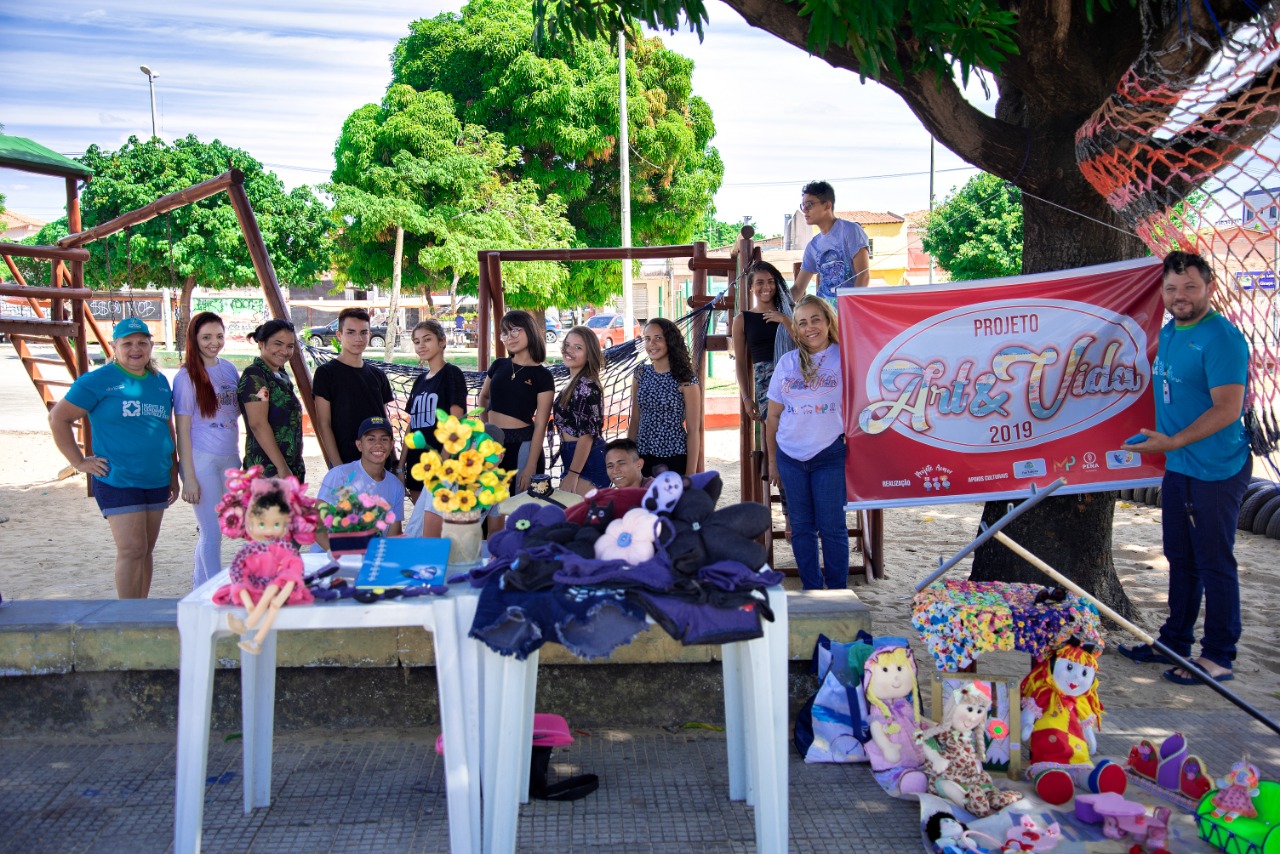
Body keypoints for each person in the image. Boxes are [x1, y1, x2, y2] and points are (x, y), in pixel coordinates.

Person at [1119, 251, 1252, 686]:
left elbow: (1228, 409)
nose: (1181, 296)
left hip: (1215, 469)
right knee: (1180, 558)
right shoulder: (1171, 331)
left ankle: (1218, 657)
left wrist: (1174, 441)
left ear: (1209, 288)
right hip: (1179, 465)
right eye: (1172, 288)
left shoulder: (1222, 339)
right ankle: (1174, 642)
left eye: (1191, 287)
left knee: (1214, 562)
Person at [49, 318, 178, 598]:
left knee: (145, 550)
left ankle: (139, 611)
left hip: (156, 477)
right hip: (118, 478)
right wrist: (78, 462)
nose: (135, 349)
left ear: (151, 345)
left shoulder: (159, 381)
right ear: (114, 347)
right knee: (131, 549)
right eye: (127, 343)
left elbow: (166, 428)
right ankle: (126, 615)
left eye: (142, 343)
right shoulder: (97, 381)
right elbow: (58, 418)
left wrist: (173, 473)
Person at [765, 296, 848, 589]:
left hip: (829, 454)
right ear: (796, 329)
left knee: (832, 527)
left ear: (828, 322)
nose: (809, 327)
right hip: (790, 457)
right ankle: (812, 589)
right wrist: (773, 461)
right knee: (801, 527)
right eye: (802, 323)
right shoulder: (787, 363)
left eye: (815, 320)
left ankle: (837, 591)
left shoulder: (845, 357)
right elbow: (773, 416)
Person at [174, 312, 241, 588]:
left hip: (231, 457)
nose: (214, 343)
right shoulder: (186, 376)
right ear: (194, 339)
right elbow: (182, 430)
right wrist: (188, 477)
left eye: (219, 336)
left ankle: (199, 588)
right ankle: (215, 592)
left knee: (220, 528)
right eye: (206, 337)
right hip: (202, 460)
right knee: (211, 531)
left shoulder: (230, 369)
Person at [404, 319, 469, 535]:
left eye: (427, 339)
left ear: (442, 341)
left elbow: (455, 421)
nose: (421, 345)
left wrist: (444, 461)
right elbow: (412, 425)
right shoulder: (419, 381)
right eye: (416, 342)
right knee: (421, 525)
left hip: (442, 462)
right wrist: (401, 465)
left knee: (439, 529)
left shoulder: (452, 374)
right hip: (417, 463)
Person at [478, 310, 554, 492]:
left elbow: (540, 425)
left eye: (515, 330)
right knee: (489, 503)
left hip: (523, 445)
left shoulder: (543, 376)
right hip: (493, 444)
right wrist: (487, 430)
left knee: (519, 504)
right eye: (504, 333)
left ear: (530, 330)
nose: (509, 337)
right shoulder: (498, 365)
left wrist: (531, 465)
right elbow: (483, 397)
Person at [311, 307, 393, 466]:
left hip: (380, 462)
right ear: (339, 335)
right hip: (346, 461)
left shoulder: (378, 375)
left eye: (363, 332)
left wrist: (394, 461)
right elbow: (323, 424)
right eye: (350, 332)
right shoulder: (326, 373)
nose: (358, 338)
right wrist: (338, 465)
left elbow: (384, 421)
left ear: (369, 335)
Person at [314, 417, 405, 551]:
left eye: (384, 439)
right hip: (328, 557)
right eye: (371, 439)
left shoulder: (396, 485)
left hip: (368, 558)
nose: (378, 444)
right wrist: (341, 555)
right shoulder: (340, 475)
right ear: (359, 445)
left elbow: (393, 534)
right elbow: (317, 523)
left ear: (392, 445)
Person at [628, 317, 702, 477]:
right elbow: (635, 419)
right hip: (642, 457)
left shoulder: (686, 379)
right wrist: (628, 458)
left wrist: (690, 474)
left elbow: (693, 430)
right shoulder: (640, 373)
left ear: (670, 341)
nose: (652, 344)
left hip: (674, 457)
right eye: (647, 339)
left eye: (658, 338)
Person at [239, 319, 305, 482]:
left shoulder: (281, 375)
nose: (285, 351)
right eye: (278, 344)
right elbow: (258, 424)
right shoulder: (256, 375)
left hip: (289, 467)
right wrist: (282, 467)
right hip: (268, 470)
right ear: (261, 343)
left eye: (290, 346)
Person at [732, 260, 797, 423]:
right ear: (751, 287)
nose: (766, 287)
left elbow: (803, 344)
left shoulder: (791, 313)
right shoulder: (742, 320)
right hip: (765, 383)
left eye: (770, 282)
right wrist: (746, 398)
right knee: (773, 428)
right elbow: (740, 362)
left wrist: (785, 320)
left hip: (793, 379)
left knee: (796, 427)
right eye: (760, 282)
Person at [790, 180, 871, 304]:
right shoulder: (813, 246)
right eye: (803, 205)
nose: (804, 210)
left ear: (827, 205)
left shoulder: (850, 231)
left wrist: (850, 309)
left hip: (848, 310)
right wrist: (773, 306)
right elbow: (798, 288)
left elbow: (863, 276)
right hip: (823, 313)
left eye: (809, 205)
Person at [555, 327, 609, 495]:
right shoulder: (574, 381)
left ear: (589, 354)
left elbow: (587, 436)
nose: (569, 351)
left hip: (587, 461)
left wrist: (573, 474)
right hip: (573, 457)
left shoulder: (587, 386)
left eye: (578, 347)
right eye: (567, 345)